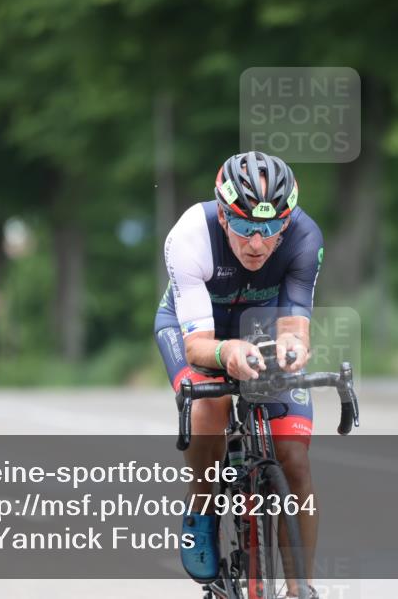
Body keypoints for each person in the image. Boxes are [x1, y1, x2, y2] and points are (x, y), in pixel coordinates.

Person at [154, 151, 323, 597]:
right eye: (246, 226)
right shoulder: (191, 234)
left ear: (286, 223)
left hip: (260, 324)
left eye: (270, 228)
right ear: (224, 215)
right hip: (197, 328)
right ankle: (203, 508)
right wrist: (228, 350)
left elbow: (295, 326)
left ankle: (300, 588)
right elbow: (198, 346)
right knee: (211, 403)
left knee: (297, 463)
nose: (257, 243)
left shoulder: (305, 237)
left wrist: (293, 348)